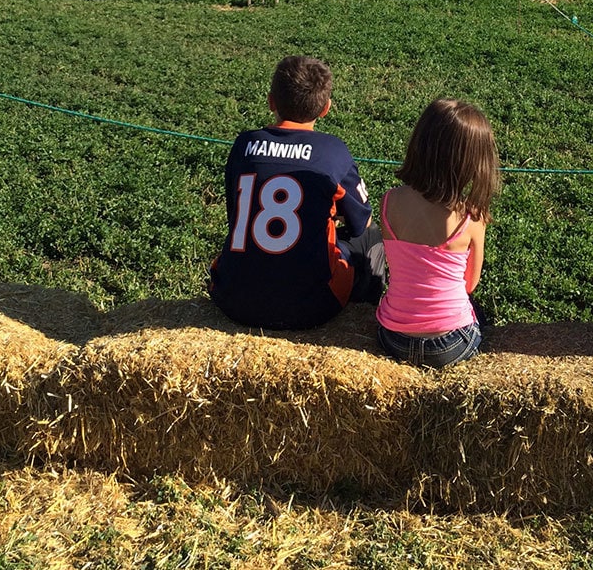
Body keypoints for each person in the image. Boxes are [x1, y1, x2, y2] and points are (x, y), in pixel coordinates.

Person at [210, 55, 386, 330]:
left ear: (270, 102)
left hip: (231, 297)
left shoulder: (244, 144)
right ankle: (367, 315)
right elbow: (360, 222)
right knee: (371, 236)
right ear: (325, 108)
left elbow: (236, 214)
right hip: (312, 307)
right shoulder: (332, 151)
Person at [376, 99, 500, 368]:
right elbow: (470, 284)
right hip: (451, 343)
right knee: (481, 316)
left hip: (393, 337)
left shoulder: (389, 202)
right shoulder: (472, 216)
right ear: (473, 161)